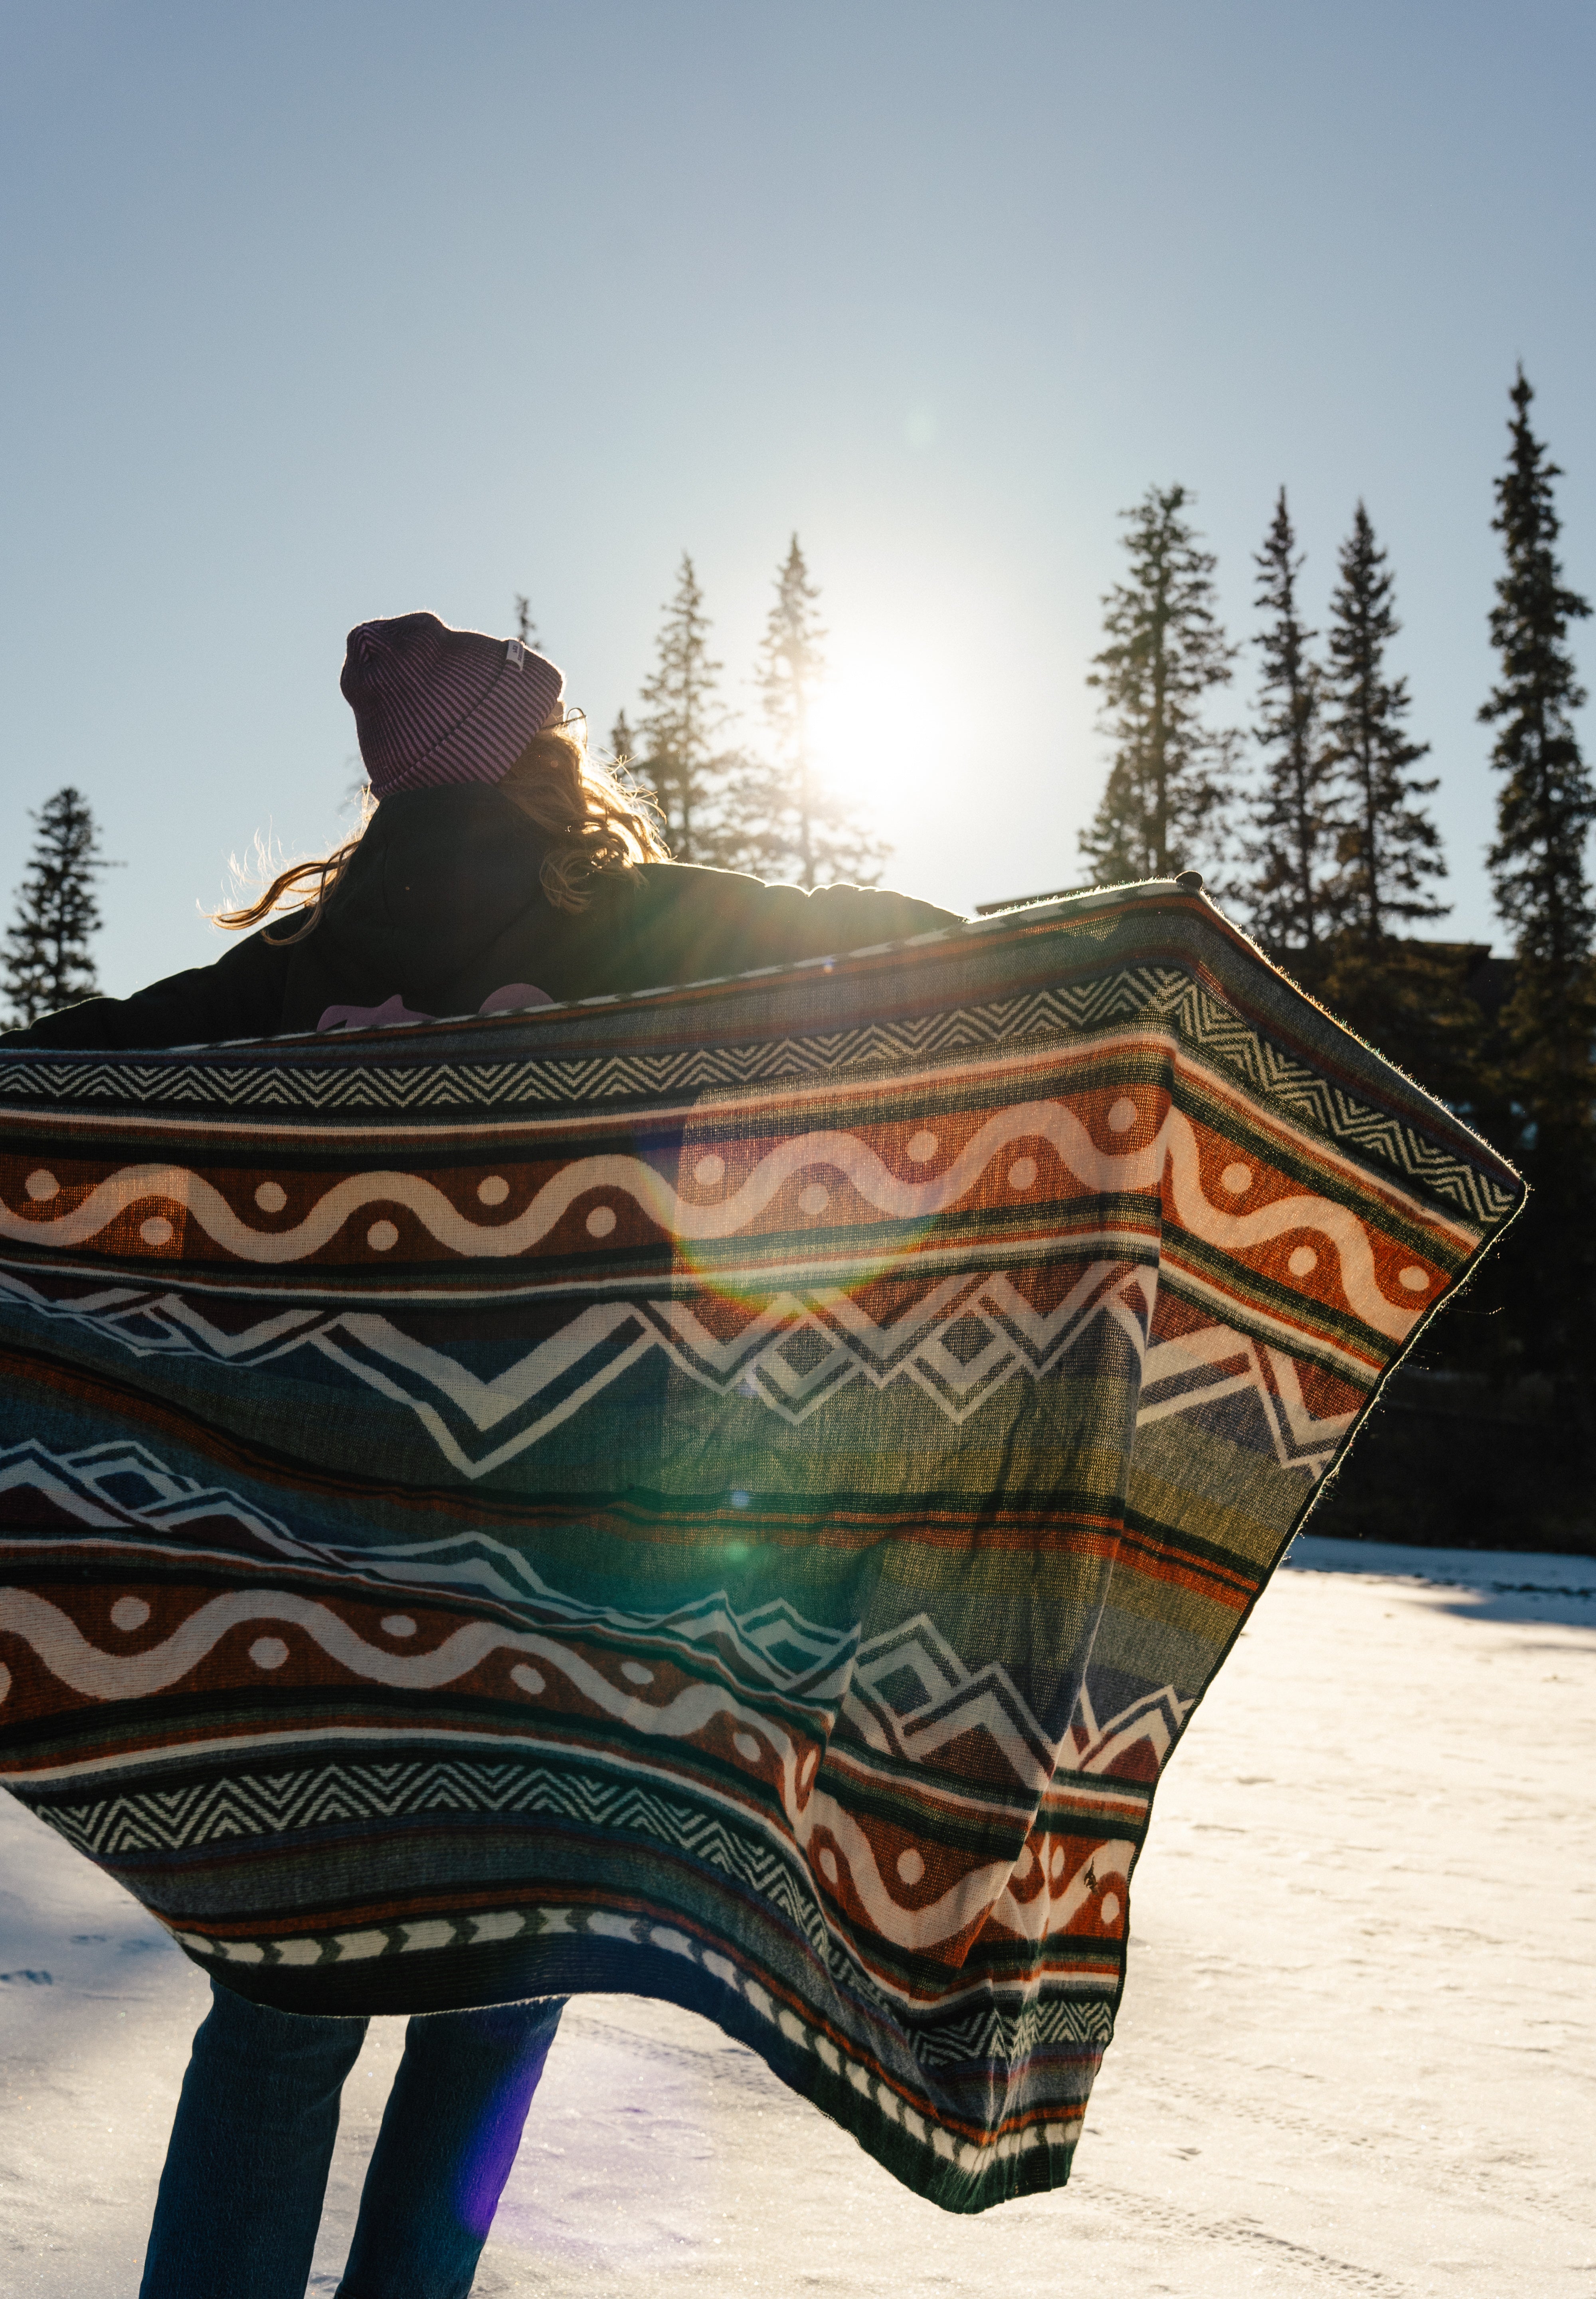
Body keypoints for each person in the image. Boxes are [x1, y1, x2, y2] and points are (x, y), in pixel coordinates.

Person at [5, 611, 963, 2299]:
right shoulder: (648, 919)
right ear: (540, 757)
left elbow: (78, 1067)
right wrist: (1095, 965)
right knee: (495, 2001)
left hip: (305, 1572)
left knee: (287, 1997)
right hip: (572, 1569)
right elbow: (888, 950)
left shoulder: (296, 969)